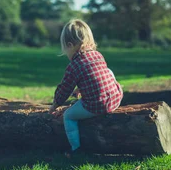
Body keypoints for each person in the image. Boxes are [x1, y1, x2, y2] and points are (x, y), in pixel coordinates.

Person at [49, 19, 123, 152]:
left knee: (68, 116)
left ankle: (76, 148)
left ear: (70, 45)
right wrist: (80, 88)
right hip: (116, 98)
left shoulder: (74, 66)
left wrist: (55, 104)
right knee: (108, 71)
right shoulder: (98, 55)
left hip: (96, 106)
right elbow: (93, 76)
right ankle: (111, 93)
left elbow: (64, 90)